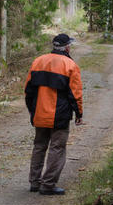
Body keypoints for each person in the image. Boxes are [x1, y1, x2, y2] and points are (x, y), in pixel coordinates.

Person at [24, 33, 83, 195]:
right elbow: (75, 93)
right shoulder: (70, 65)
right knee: (57, 148)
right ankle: (48, 184)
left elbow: (28, 91)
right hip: (60, 116)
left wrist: (32, 110)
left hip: (39, 113)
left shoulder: (38, 61)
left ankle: (35, 182)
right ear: (67, 47)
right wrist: (79, 113)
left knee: (39, 147)